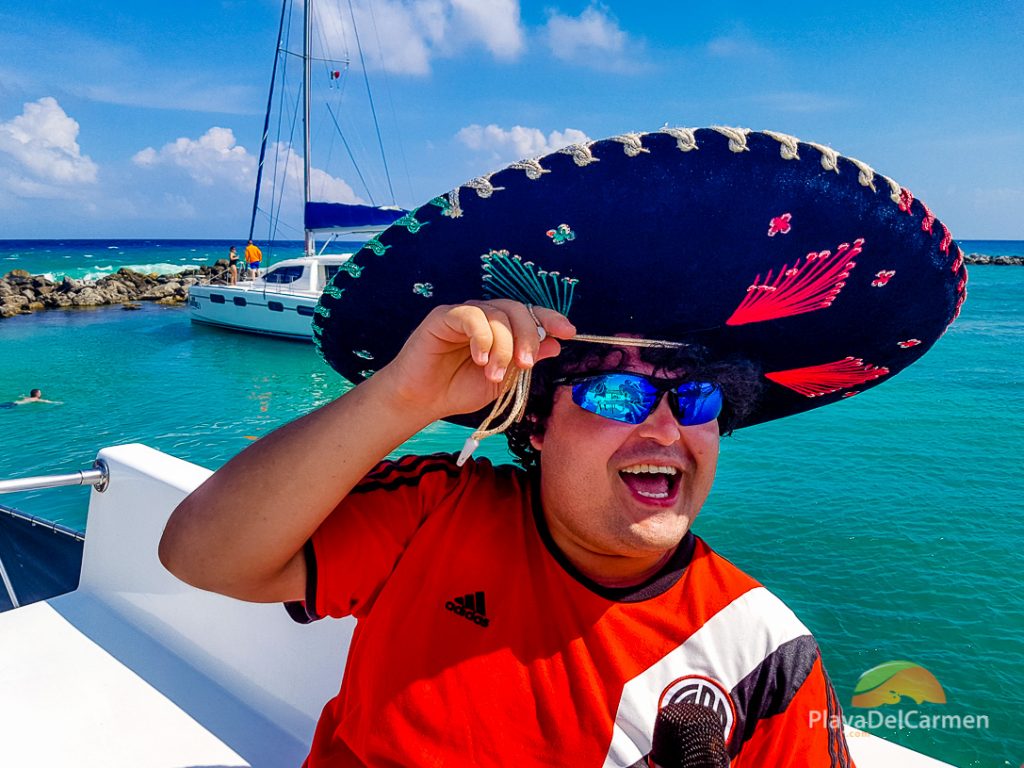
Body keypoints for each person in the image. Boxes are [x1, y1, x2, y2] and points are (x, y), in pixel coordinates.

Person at [160, 126, 966, 766]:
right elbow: (203, 556)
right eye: (616, 392)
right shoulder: (435, 513)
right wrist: (402, 396)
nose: (665, 427)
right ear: (536, 426)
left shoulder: (760, 650)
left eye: (694, 396)